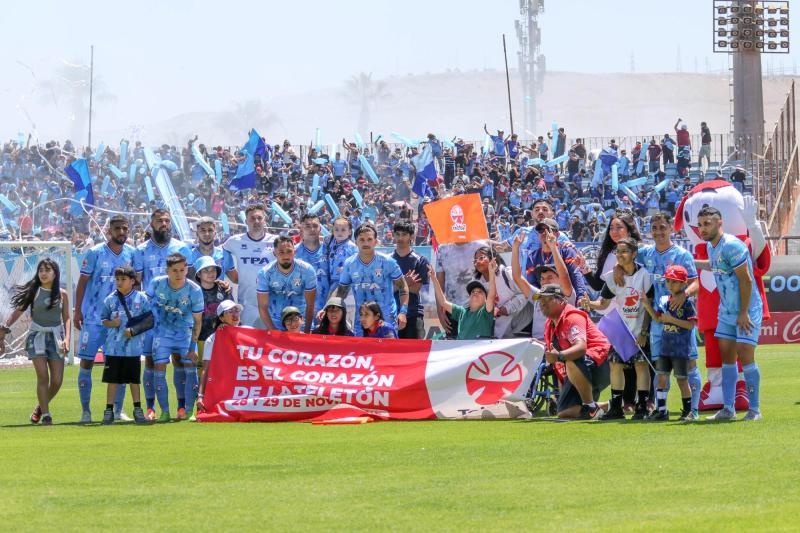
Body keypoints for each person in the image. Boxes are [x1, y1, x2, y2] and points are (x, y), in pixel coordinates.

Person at [626, 212, 701, 418]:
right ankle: (662, 410)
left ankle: (693, 409)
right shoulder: (645, 253)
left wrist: (684, 294)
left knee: (689, 366)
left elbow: (696, 282)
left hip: (679, 319)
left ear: (671, 229)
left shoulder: (682, 255)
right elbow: (625, 257)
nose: (659, 232)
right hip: (657, 321)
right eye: (655, 228)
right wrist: (616, 267)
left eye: (662, 227)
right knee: (661, 368)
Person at [695, 206, 763, 421]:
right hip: (725, 311)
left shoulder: (732, 245)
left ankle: (755, 410)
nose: (703, 228)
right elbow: (714, 265)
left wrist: (743, 313)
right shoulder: (710, 246)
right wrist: (691, 262)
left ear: (719, 223)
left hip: (746, 310)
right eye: (701, 225)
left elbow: (746, 280)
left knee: (746, 357)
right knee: (727, 359)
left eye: (708, 223)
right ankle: (728, 408)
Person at [580, 238, 652, 420]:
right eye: (617, 252)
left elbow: (649, 306)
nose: (619, 255)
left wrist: (644, 332)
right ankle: (616, 408)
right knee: (615, 366)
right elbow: (603, 304)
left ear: (634, 254)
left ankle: (642, 407)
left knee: (641, 367)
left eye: (624, 251)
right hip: (620, 330)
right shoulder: (613, 276)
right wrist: (590, 304)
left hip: (639, 330)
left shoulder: (645, 274)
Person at [75, 215, 136, 423]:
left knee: (118, 364)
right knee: (86, 362)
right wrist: (77, 311)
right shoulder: (94, 253)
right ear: (109, 230)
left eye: (125, 229)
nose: (121, 232)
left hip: (120, 322)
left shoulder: (132, 253)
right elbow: (82, 282)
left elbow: (136, 286)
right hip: (93, 319)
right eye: (117, 228)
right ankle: (85, 411)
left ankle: (118, 410)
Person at [135, 209, 193, 421]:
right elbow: (137, 284)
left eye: (167, 221)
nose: (164, 224)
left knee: (179, 360)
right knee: (150, 361)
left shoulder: (182, 248)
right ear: (151, 223)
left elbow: (191, 280)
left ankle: (181, 406)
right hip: (152, 318)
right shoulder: (140, 251)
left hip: (178, 316)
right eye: (159, 220)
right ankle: (151, 407)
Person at [0, 259, 70, 425]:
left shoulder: (62, 294)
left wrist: (67, 338)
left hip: (56, 337)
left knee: (57, 381)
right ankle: (46, 415)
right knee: (43, 377)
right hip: (36, 337)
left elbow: (66, 317)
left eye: (47, 270)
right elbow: (18, 311)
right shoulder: (34, 291)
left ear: (55, 273)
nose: (43, 273)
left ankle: (40, 407)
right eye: (41, 270)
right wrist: (4, 327)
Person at [146, 253, 204, 422]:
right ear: (167, 271)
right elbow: (143, 304)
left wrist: (193, 347)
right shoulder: (157, 283)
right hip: (161, 333)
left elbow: (198, 321)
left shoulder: (194, 290)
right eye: (175, 270)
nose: (179, 274)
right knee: (159, 370)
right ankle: (164, 411)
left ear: (187, 269)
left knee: (190, 370)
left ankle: (188, 411)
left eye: (182, 270)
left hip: (185, 334)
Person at [539, 284, 611, 420]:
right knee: (565, 412)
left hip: (601, 362)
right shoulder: (549, 324)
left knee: (570, 359)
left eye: (547, 299)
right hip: (580, 367)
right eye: (541, 300)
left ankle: (591, 407)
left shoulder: (572, 317)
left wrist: (559, 356)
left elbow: (581, 348)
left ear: (561, 300)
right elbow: (559, 364)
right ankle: (610, 406)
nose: (542, 303)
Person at [642, 265, 697, 421]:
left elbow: (691, 325)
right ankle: (662, 411)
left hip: (680, 349)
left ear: (684, 283)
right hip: (665, 348)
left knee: (682, 380)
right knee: (661, 378)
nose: (671, 285)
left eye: (675, 282)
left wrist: (671, 320)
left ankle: (688, 412)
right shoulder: (664, 300)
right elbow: (659, 319)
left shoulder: (687, 303)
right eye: (668, 281)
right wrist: (647, 305)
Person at [333, 223, 409, 336]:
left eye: (369, 239)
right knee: (362, 353)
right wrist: (328, 308)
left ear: (375, 241)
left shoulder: (388, 262)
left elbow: (403, 286)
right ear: (356, 241)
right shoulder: (349, 264)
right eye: (362, 239)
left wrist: (403, 312)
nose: (366, 243)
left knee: (387, 353)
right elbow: (341, 292)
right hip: (361, 321)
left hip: (386, 319)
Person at [99, 266, 150, 425]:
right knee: (112, 380)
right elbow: (103, 319)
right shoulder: (110, 299)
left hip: (133, 350)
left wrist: (134, 331)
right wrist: (112, 323)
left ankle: (138, 409)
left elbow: (149, 321)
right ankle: (109, 410)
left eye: (123, 279)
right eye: (117, 279)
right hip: (113, 348)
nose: (119, 282)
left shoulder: (141, 299)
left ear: (132, 281)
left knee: (134, 381)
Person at [511, 230, 576, 341]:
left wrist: (553, 248)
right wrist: (515, 248)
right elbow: (517, 277)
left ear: (560, 280)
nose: (545, 281)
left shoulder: (566, 295)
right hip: (537, 350)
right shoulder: (538, 296)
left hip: (560, 349)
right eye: (542, 279)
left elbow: (564, 274)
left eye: (550, 277)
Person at [222, 203, 277, 328]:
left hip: (271, 304)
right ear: (246, 221)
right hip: (247, 305)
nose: (256, 221)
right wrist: (232, 274)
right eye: (252, 218)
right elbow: (221, 252)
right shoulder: (234, 241)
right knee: (248, 341)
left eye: (259, 218)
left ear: (265, 221)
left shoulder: (276, 241)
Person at [256, 236, 316, 332]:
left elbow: (311, 304)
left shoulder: (307, 270)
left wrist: (307, 331)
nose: (285, 256)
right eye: (281, 252)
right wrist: (273, 331)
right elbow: (262, 306)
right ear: (274, 253)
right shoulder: (264, 273)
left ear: (294, 252)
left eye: (289, 251)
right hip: (276, 323)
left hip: (300, 322)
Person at [434, 238, 490, 339]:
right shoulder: (442, 248)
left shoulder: (481, 245)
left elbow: (490, 275)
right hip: (452, 310)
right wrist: (439, 311)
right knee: (454, 351)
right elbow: (439, 281)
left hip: (478, 311)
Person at [197, 300, 246, 416]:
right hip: (226, 388)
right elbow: (206, 369)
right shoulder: (213, 339)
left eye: (237, 311)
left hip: (245, 385)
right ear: (222, 318)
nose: (235, 314)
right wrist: (200, 396)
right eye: (230, 312)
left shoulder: (249, 332)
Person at [472, 246, 531, 338]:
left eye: (481, 258)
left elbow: (525, 293)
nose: (477, 262)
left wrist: (507, 308)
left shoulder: (507, 274)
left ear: (493, 259)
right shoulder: (476, 282)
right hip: (499, 334)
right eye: (475, 260)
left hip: (521, 327)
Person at [429, 260, 496, 340]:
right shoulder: (462, 312)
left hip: (480, 351)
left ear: (486, 299)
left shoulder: (485, 312)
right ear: (469, 298)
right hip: (462, 350)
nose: (475, 293)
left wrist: (491, 273)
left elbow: (491, 296)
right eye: (473, 292)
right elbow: (443, 302)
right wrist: (434, 279)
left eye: (480, 292)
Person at [391, 220, 430, 339]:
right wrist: (405, 283)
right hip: (391, 315)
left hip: (413, 314)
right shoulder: (387, 261)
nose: (400, 238)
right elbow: (385, 290)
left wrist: (396, 285)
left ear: (411, 237)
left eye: (404, 234)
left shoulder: (420, 260)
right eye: (397, 234)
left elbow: (418, 289)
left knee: (415, 355)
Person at [194, 256, 232, 360]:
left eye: (213, 270)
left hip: (221, 338)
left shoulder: (224, 289)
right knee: (202, 371)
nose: (210, 273)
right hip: (200, 338)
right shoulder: (193, 292)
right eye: (206, 270)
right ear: (198, 274)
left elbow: (232, 312)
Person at [294, 213, 327, 318]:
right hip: (299, 314)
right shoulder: (292, 252)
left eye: (315, 226)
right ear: (301, 230)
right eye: (307, 226)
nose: (312, 229)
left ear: (320, 228)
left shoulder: (330, 251)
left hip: (325, 312)